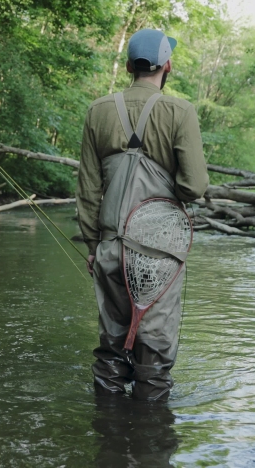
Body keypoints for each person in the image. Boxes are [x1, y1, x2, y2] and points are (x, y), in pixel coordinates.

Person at [76, 28, 209, 401]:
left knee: (112, 345)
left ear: (129, 66)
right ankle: (149, 440)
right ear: (167, 65)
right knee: (153, 351)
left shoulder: (98, 110)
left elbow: (87, 189)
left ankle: (109, 434)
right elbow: (195, 186)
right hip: (158, 255)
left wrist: (92, 244)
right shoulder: (179, 111)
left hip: (109, 246)